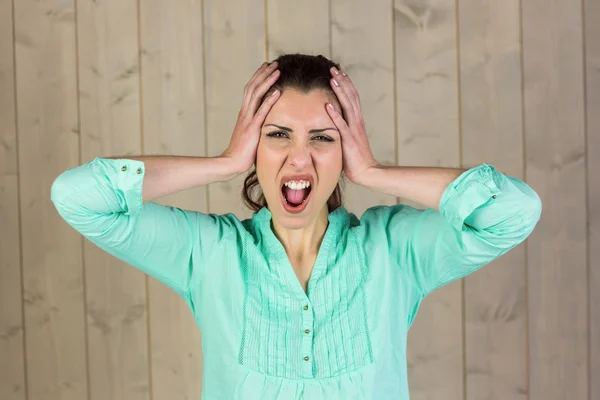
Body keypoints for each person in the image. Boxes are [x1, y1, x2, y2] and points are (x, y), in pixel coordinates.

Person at [51, 53, 542, 399]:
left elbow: (513, 212)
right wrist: (223, 162)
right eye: (278, 135)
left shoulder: (393, 251)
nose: (298, 157)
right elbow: (78, 197)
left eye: (323, 138)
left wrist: (374, 173)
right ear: (254, 147)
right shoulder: (210, 254)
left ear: (345, 150)